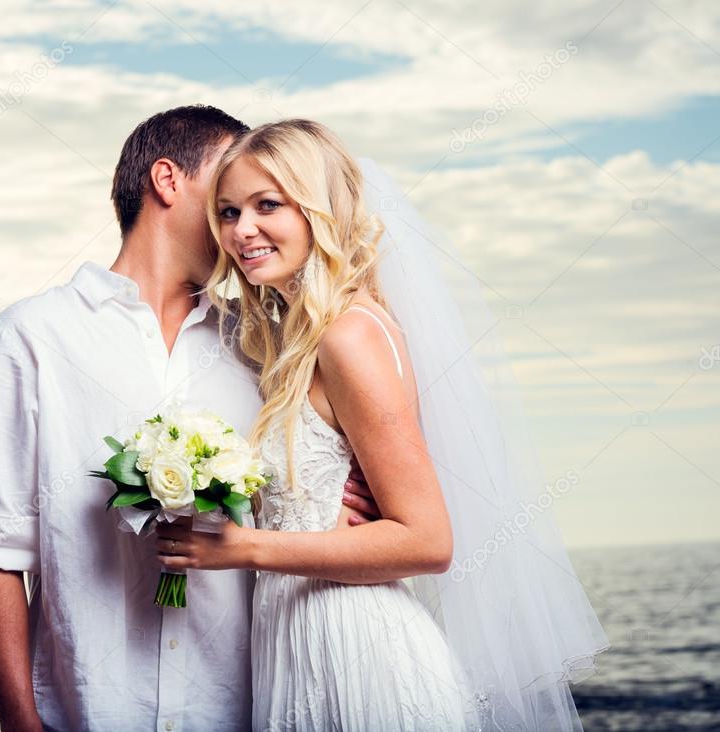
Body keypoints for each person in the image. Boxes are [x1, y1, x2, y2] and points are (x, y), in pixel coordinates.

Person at [156, 119, 609, 730]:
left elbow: (427, 541)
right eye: (230, 211)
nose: (243, 231)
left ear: (321, 211)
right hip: (293, 643)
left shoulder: (349, 335)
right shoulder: (294, 338)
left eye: (268, 205)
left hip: (359, 650)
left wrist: (247, 548)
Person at [0, 106, 381, 732]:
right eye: (226, 196)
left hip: (248, 709)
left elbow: (319, 486)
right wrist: (21, 722)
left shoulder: (261, 345)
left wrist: (325, 515)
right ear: (168, 181)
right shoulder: (29, 339)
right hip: (92, 710)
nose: (241, 223)